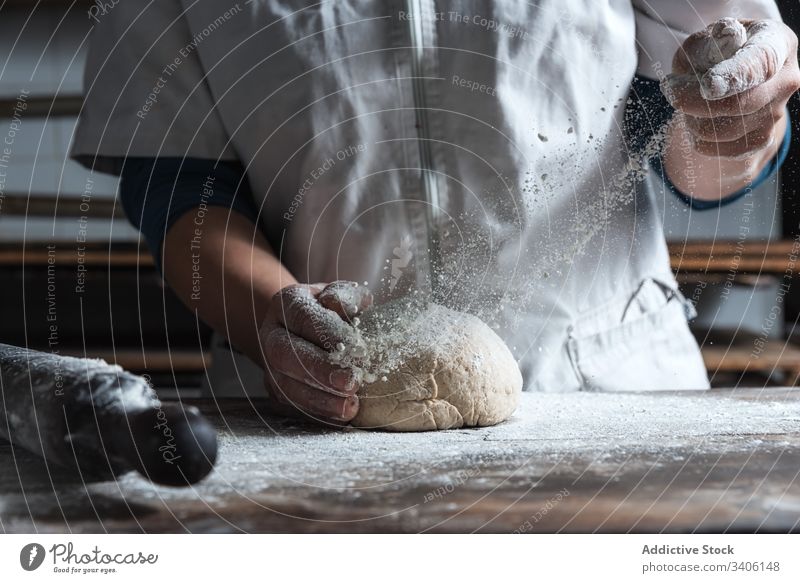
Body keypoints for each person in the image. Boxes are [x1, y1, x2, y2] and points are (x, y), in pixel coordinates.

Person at [71, 1, 799, 424]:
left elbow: (689, 134)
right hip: (314, 402)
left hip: (607, 387)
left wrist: (735, 124)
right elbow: (178, 184)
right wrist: (274, 322)